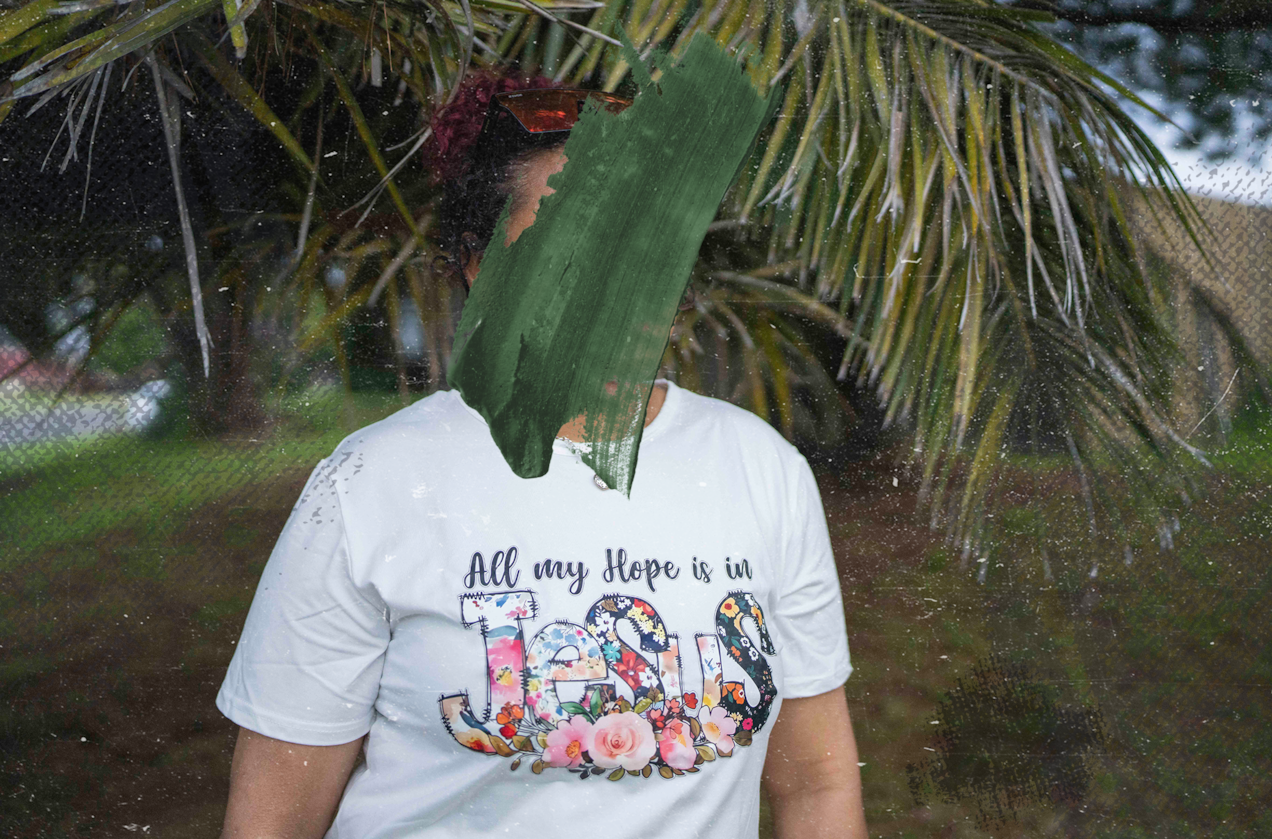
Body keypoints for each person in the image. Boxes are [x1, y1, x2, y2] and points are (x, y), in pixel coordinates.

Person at [217, 75, 870, 839]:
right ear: (476, 260)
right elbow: (273, 823)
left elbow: (817, 786)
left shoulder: (762, 470)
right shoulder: (371, 487)